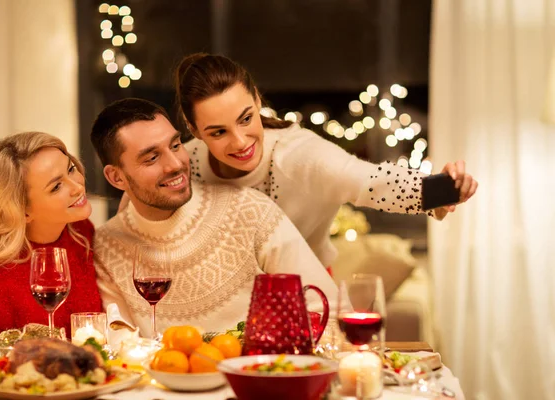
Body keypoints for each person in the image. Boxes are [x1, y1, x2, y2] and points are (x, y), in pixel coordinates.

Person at [172, 53, 479, 268]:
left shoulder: (300, 155)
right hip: (219, 315)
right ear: (192, 127)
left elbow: (369, 181)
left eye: (246, 119)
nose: (240, 142)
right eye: (218, 132)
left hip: (308, 303)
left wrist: (441, 191)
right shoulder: (186, 163)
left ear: (256, 98)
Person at [90, 98, 340, 336]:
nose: (175, 164)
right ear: (116, 177)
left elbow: (327, 309)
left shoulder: (248, 209)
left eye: (175, 145)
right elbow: (122, 345)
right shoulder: (107, 245)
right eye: (152, 158)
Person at [0, 132, 102, 335]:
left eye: (71, 169)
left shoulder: (81, 232)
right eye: (57, 186)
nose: (77, 187)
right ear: (22, 210)